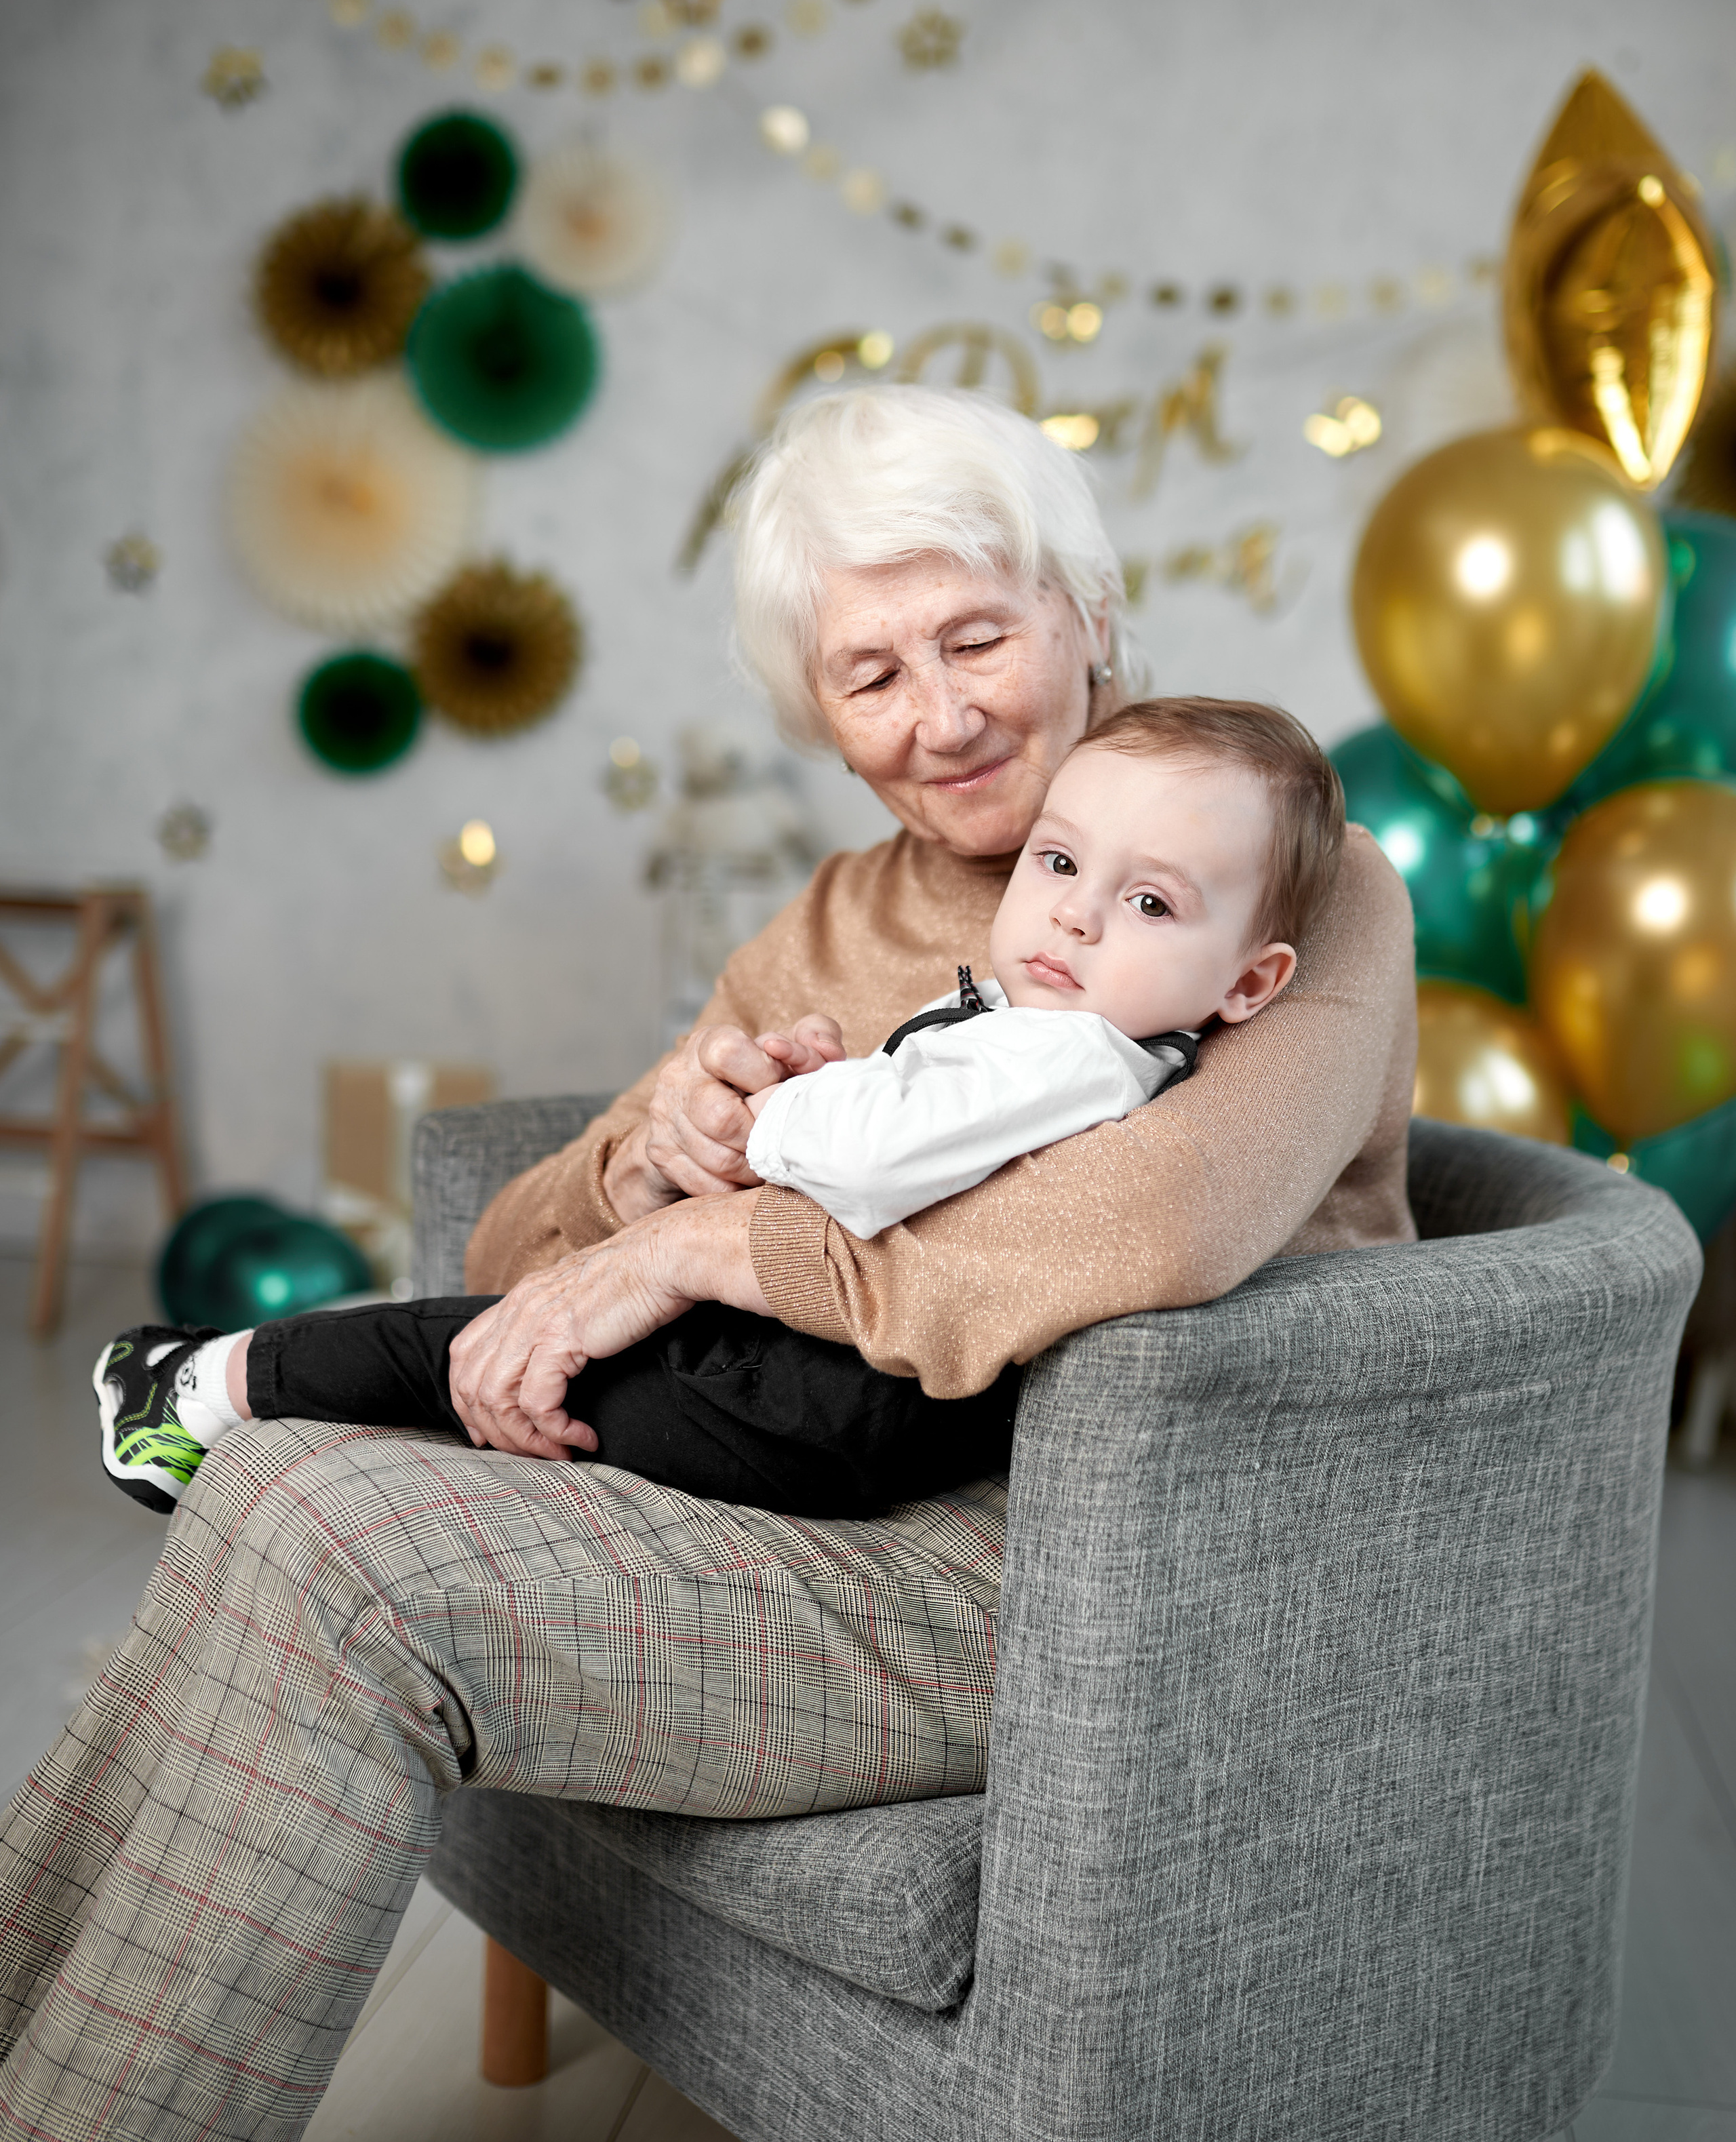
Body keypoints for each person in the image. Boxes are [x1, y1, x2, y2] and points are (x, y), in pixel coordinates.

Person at [0, 387, 1415, 2142]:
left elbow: (1159, 1222)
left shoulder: (1281, 870)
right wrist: (653, 1140)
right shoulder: (827, 924)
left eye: (980, 633)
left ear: (1090, 612)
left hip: (1098, 1569)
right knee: (274, 1472)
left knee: (330, 1542)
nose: (946, 709)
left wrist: (716, 1236)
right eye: (872, 671)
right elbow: (516, 1249)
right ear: (817, 711)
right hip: (808, 1492)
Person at [90, 697, 1343, 1522]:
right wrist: (681, 1149)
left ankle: (210, 1382)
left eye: (1153, 905)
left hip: (829, 1398)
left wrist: (777, 1120)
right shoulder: (1032, 1019)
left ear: (1251, 982)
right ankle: (214, 1390)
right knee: (485, 1355)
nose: (1075, 914)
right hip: (818, 1379)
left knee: (474, 1373)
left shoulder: (1070, 1056)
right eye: (1060, 867)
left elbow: (866, 1163)